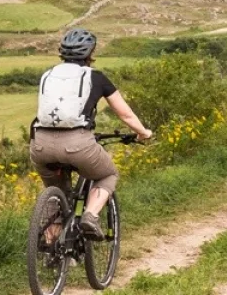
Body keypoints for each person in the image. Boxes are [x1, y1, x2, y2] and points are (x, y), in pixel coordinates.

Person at [30, 28, 154, 239]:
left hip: (39, 144)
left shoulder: (48, 75)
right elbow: (126, 115)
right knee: (108, 175)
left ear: (62, 53)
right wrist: (143, 133)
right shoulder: (96, 77)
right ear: (90, 54)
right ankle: (90, 215)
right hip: (77, 144)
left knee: (55, 192)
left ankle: (51, 247)